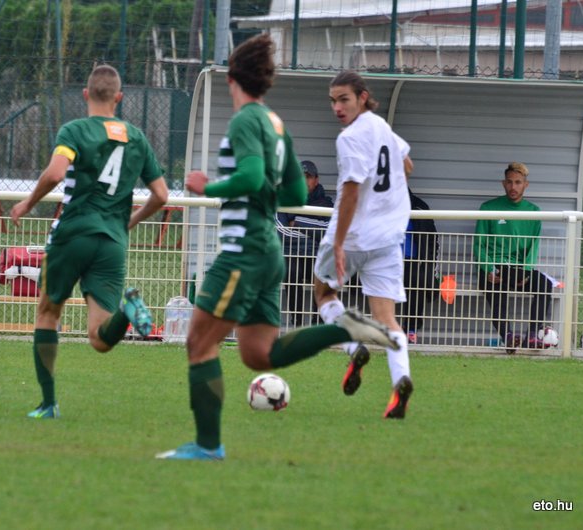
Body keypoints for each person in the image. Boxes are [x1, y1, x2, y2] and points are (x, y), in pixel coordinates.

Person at [155, 35, 398, 461]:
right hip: (268, 250)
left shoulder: (246, 121)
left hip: (243, 250)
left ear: (233, 78)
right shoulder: (275, 123)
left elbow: (249, 178)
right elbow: (289, 190)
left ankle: (208, 446)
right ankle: (345, 328)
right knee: (258, 353)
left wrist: (208, 186)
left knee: (199, 344)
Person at [10, 64, 169, 419]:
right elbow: (160, 194)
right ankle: (128, 312)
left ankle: (49, 403)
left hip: (72, 234)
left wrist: (27, 202)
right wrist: (130, 221)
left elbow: (54, 173)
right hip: (112, 241)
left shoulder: (75, 130)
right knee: (99, 338)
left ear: (85, 95)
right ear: (119, 98)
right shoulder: (137, 137)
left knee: (48, 314)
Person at [312, 70, 413, 419]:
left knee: (324, 294)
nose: (337, 107)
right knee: (387, 321)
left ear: (362, 97)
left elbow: (352, 191)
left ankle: (354, 347)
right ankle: (401, 379)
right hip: (388, 237)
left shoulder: (350, 138)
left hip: (353, 236)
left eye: (344, 99)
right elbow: (407, 165)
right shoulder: (382, 127)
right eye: (333, 101)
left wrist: (338, 244)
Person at [473, 162, 553, 353]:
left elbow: (533, 246)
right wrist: (489, 268)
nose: (513, 187)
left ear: (525, 185)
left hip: (519, 269)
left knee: (544, 285)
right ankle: (508, 337)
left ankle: (532, 336)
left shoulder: (533, 211)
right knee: (496, 291)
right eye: (509, 182)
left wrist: (526, 271)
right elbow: (478, 244)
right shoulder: (488, 207)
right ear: (503, 183)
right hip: (494, 268)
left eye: (518, 182)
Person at [276, 160, 333, 326]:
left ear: (316, 180)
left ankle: (318, 323)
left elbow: (329, 233)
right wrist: (314, 235)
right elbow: (282, 232)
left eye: (307, 177)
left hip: (317, 256)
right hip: (292, 255)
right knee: (291, 271)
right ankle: (298, 324)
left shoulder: (326, 204)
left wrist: (299, 223)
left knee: (323, 271)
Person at [400, 188, 440, 344]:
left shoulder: (419, 207)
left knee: (418, 280)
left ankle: (411, 329)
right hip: (386, 260)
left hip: (412, 260)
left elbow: (433, 240)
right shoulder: (379, 204)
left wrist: (430, 268)